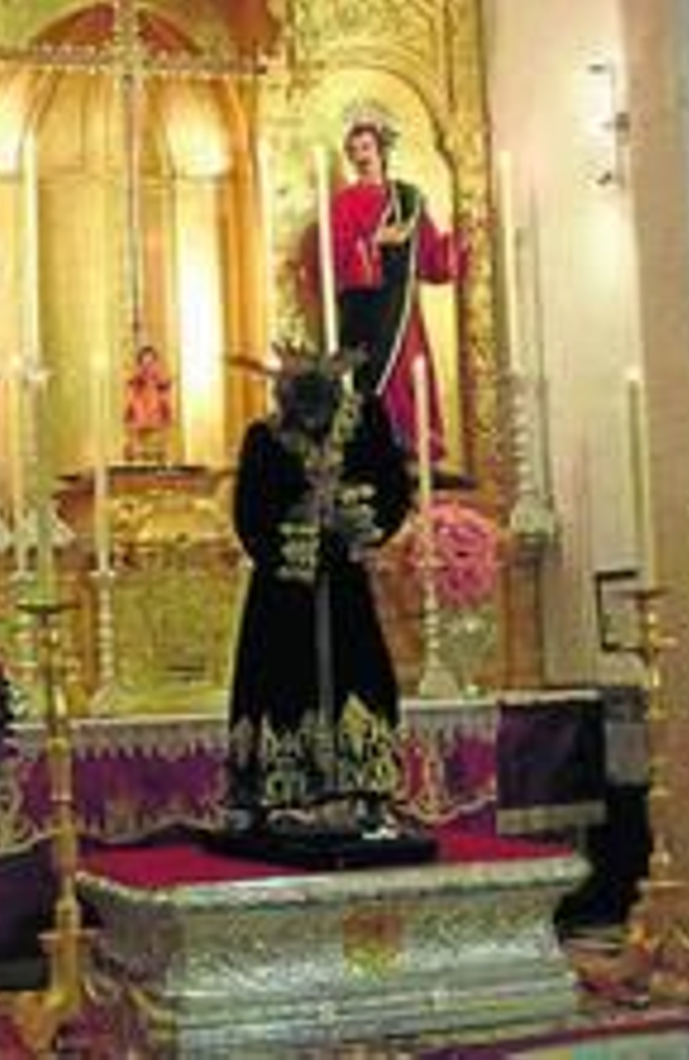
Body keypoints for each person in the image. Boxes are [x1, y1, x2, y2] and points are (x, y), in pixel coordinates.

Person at [224, 350, 412, 832]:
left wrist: (359, 521)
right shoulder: (264, 439)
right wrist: (298, 540)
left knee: (358, 671)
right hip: (283, 593)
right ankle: (281, 789)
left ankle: (361, 785)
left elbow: (393, 487)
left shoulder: (364, 428)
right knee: (282, 679)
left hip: (344, 581)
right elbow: (250, 516)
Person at [331, 115, 465, 460]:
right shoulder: (344, 203)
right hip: (367, 313)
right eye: (354, 150)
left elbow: (430, 258)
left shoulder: (409, 199)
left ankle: (412, 453)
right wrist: (376, 240)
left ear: (381, 151)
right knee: (374, 379)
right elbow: (336, 258)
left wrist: (457, 244)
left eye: (366, 147)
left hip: (404, 312)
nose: (361, 155)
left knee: (409, 375)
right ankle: (377, 452)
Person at [123, 343, 174, 462]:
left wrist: (166, 414)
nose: (148, 368)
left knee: (157, 450)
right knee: (140, 452)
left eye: (151, 363)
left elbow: (166, 403)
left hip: (157, 423)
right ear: (139, 364)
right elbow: (129, 404)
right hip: (139, 424)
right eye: (144, 363)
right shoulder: (134, 382)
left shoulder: (161, 382)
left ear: (156, 363)